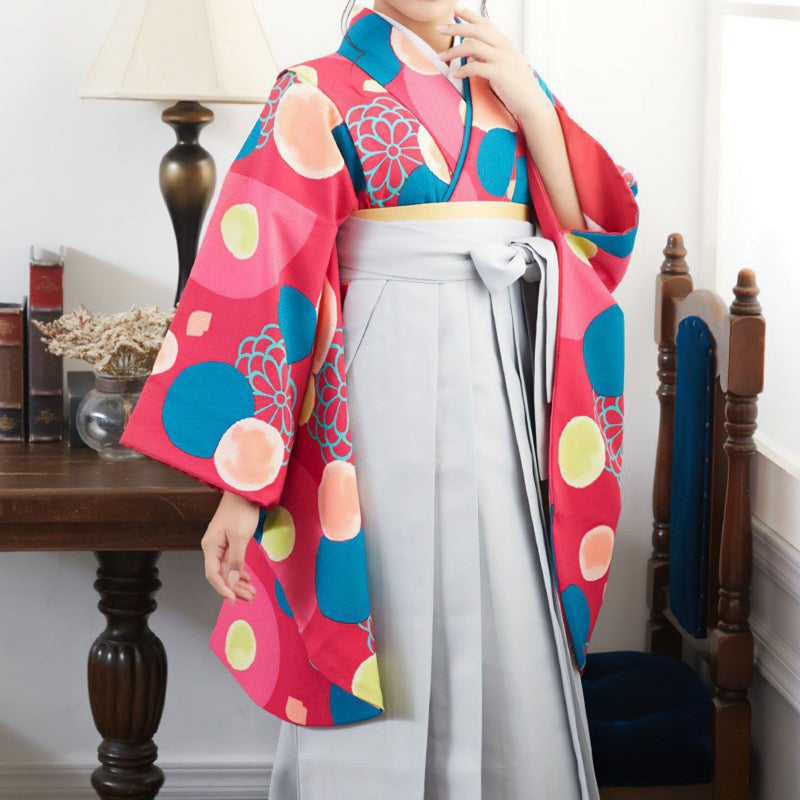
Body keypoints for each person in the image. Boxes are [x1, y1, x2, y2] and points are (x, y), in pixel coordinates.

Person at [119, 1, 639, 797]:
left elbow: (590, 245)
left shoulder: (507, 88)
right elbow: (270, 289)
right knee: (381, 607)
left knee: (510, 604)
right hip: (373, 395)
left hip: (502, 392)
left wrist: (534, 104)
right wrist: (242, 492)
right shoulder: (312, 90)